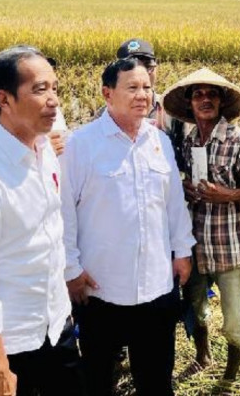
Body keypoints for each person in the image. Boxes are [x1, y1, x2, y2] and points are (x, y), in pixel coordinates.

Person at [0, 45, 85, 396]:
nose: (53, 99)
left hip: (56, 329)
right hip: (11, 345)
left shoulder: (45, 155)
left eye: (55, 88)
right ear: (4, 100)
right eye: (40, 89)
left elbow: (50, 240)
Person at [61, 58, 196, 396]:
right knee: (99, 378)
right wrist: (71, 268)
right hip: (101, 288)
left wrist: (182, 252)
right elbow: (63, 212)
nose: (142, 95)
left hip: (157, 286)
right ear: (108, 93)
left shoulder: (159, 141)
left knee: (156, 379)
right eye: (132, 88)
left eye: (147, 87)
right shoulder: (82, 144)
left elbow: (174, 205)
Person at [161, 68, 240, 381]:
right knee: (195, 310)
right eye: (198, 94)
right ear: (190, 104)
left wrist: (229, 194)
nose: (205, 99)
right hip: (196, 247)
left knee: (235, 322)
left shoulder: (239, 140)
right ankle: (203, 356)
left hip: (231, 250)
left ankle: (229, 377)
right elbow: (193, 184)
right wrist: (186, 189)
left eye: (212, 94)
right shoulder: (189, 142)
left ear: (222, 102)